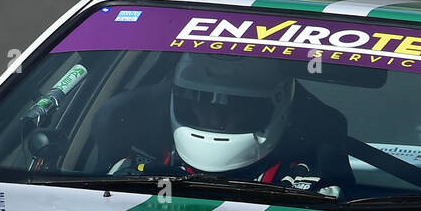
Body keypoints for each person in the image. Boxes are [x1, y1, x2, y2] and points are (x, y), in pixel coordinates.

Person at [104, 53, 352, 191]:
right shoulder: (135, 171)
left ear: (277, 104)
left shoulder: (306, 183)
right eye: (200, 102)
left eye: (235, 106)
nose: (213, 117)